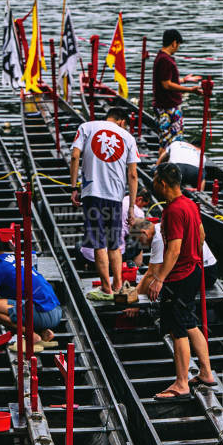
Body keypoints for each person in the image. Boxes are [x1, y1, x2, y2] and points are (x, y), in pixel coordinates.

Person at [146, 162, 215, 398]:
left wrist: (159, 279)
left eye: (155, 180)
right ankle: (206, 372)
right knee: (190, 322)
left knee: (178, 330)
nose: (153, 184)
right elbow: (201, 234)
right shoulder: (189, 203)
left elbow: (173, 250)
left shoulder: (174, 210)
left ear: (162, 184)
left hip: (180, 275)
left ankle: (182, 383)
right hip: (194, 269)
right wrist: (194, 257)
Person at [69, 100, 140, 299]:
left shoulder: (86, 127)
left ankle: (106, 289)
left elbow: (75, 156)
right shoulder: (128, 137)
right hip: (116, 197)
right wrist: (131, 207)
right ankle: (118, 285)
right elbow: (133, 175)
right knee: (114, 243)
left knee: (99, 243)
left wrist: (74, 187)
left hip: (92, 194)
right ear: (122, 122)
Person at [152, 30, 200, 159]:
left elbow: (166, 80)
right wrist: (190, 90)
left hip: (167, 106)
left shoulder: (162, 58)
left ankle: (163, 168)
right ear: (174, 43)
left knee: (166, 142)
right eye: (178, 45)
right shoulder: (165, 60)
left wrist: (184, 80)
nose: (177, 48)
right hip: (167, 108)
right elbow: (166, 84)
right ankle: (163, 170)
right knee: (170, 143)